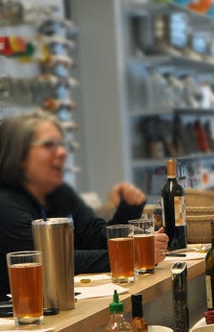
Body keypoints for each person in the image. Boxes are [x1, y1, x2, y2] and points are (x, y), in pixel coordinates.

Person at [0, 110, 169, 298]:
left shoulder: (58, 192)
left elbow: (95, 237)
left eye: (62, 145)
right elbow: (53, 263)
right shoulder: (5, 205)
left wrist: (128, 209)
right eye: (49, 145)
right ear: (19, 155)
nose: (63, 152)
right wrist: (135, 254)